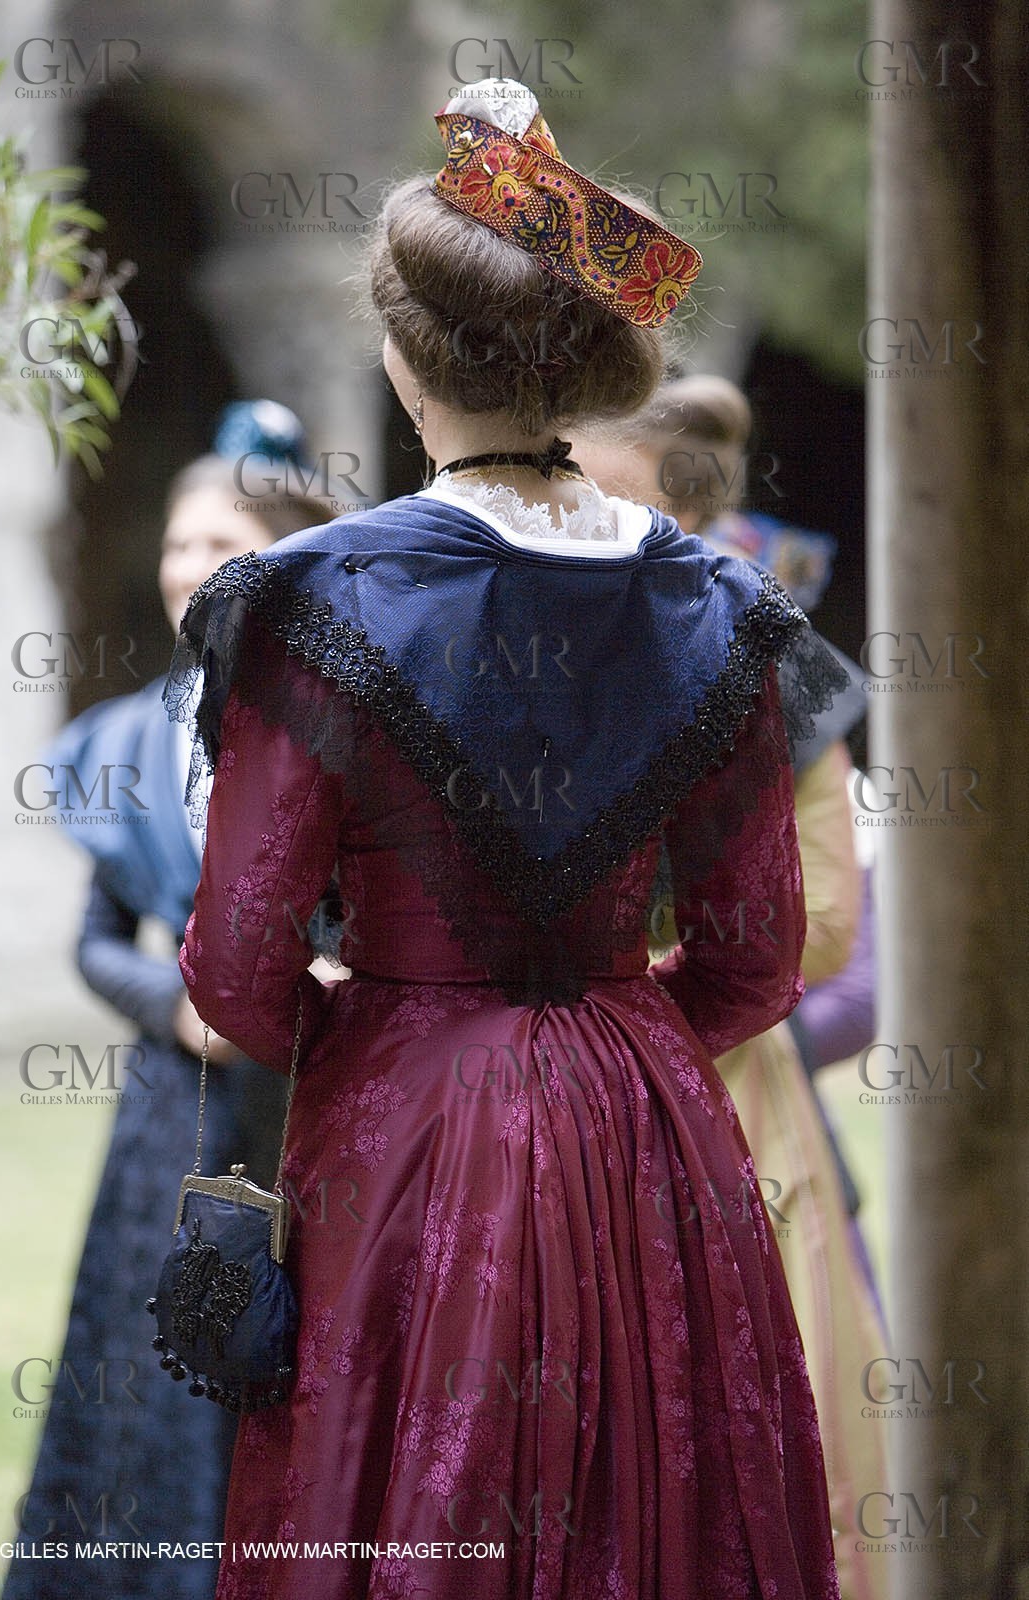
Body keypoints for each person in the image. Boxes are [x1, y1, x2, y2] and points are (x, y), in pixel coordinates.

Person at [169, 83, 842, 1599]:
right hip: (650, 1129)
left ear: (403, 359)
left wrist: (384, 1030)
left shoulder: (311, 599)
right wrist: (604, 1043)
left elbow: (236, 965)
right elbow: (751, 962)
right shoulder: (724, 609)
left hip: (403, 1125)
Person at [4, 403, 334, 1600]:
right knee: (156, 1380)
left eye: (222, 545)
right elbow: (96, 945)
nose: (191, 567)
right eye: (177, 543)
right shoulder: (121, 743)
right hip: (171, 1118)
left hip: (316, 1107)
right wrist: (178, 1007)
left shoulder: (344, 736)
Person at [579, 374, 890, 1600]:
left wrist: (623, 985)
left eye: (629, 513)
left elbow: (821, 924)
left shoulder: (764, 650)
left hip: (722, 1092)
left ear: (696, 522)